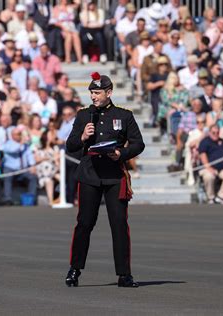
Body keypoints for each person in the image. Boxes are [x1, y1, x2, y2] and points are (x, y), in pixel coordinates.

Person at [65, 72, 145, 288]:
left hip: (113, 174)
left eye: (97, 92)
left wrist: (121, 153)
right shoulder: (83, 116)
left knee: (119, 224)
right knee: (84, 223)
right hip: (90, 172)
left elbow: (138, 144)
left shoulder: (124, 115)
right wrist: (82, 137)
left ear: (109, 93)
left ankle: (124, 274)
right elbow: (70, 144)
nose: (93, 96)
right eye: (91, 92)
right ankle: (74, 269)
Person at [2, 127, 38, 205]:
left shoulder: (25, 145)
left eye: (20, 134)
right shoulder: (8, 144)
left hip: (23, 169)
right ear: (12, 135)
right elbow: (13, 150)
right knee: (7, 178)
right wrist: (21, 143)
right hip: (10, 168)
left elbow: (29, 155)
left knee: (33, 177)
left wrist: (32, 166)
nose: (20, 136)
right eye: (18, 134)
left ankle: (31, 197)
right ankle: (7, 198)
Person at [198, 124, 223, 204]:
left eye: (217, 132)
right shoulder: (205, 142)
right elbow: (203, 155)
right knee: (209, 176)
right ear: (210, 132)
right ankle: (211, 197)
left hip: (222, 168)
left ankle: (221, 196)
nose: (216, 134)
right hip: (208, 168)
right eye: (214, 132)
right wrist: (209, 168)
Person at [34, 130, 59, 205]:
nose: (53, 136)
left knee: (62, 178)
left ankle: (59, 199)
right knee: (48, 180)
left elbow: (57, 161)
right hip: (43, 172)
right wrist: (47, 158)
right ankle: (51, 201)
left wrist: (54, 160)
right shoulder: (38, 147)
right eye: (51, 135)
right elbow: (37, 159)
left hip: (53, 171)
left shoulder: (55, 148)